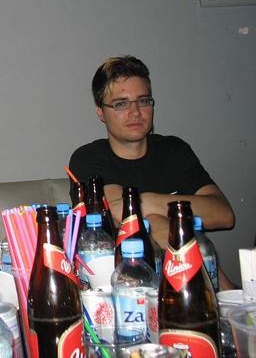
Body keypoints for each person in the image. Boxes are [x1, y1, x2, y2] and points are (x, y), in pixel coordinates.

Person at [69, 56, 235, 285]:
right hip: (125, 285)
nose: (135, 112)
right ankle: (212, 296)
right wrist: (164, 213)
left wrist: (147, 202)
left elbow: (223, 214)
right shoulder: (88, 158)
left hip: (186, 284)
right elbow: (120, 214)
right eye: (121, 104)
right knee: (153, 222)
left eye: (144, 101)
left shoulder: (173, 150)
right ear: (100, 112)